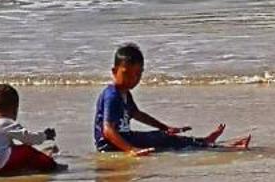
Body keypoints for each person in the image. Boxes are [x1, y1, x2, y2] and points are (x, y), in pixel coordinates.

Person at [93, 41, 250, 157]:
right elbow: (108, 131)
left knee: (166, 137)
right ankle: (221, 147)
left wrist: (164, 127)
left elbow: (138, 114)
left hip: (125, 139)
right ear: (114, 71)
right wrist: (131, 150)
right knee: (166, 141)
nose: (133, 79)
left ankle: (206, 142)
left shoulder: (125, 93)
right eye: (127, 74)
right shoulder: (112, 95)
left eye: (138, 74)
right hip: (112, 146)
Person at [0, 83, 63, 177]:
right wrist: (45, 136)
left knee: (10, 148)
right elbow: (29, 139)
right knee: (27, 151)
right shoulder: (7, 123)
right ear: (15, 110)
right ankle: (51, 165)